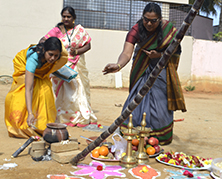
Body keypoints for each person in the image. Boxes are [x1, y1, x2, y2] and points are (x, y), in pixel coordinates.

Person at [102, 3, 186, 145]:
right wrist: (118, 65)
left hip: (160, 68)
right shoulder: (136, 29)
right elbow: (126, 52)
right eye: (146, 19)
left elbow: (175, 51)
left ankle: (157, 137)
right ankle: (134, 134)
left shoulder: (168, 29)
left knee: (160, 103)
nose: (148, 23)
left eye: (153, 21)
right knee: (136, 100)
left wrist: (159, 55)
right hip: (141, 67)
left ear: (160, 19)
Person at [41, 6, 97, 127]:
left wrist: (77, 51)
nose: (66, 19)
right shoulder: (57, 30)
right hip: (61, 66)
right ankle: (63, 115)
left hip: (76, 64)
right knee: (62, 91)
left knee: (78, 88)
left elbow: (88, 45)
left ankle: (78, 115)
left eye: (68, 16)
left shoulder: (79, 30)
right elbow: (44, 39)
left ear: (73, 18)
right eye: (64, 16)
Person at [5, 37, 68, 138]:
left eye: (56, 55)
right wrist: (30, 113)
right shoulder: (33, 59)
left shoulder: (57, 58)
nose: (53, 58)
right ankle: (24, 123)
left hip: (40, 72)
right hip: (23, 67)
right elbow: (28, 89)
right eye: (50, 54)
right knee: (22, 96)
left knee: (45, 91)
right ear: (44, 50)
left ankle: (43, 125)